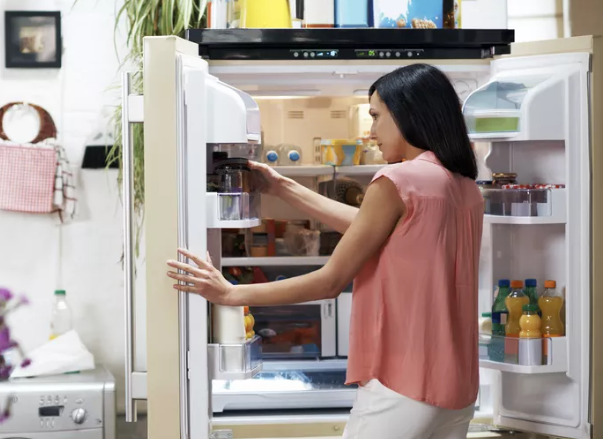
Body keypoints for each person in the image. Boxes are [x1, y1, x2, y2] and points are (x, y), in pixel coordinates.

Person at [166, 63, 483, 439]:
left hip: (406, 382)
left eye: (376, 117)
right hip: (458, 389)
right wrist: (281, 186)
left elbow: (330, 281)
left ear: (407, 113)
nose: (371, 133)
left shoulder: (399, 179)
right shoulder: (463, 188)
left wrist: (230, 293)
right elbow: (369, 227)